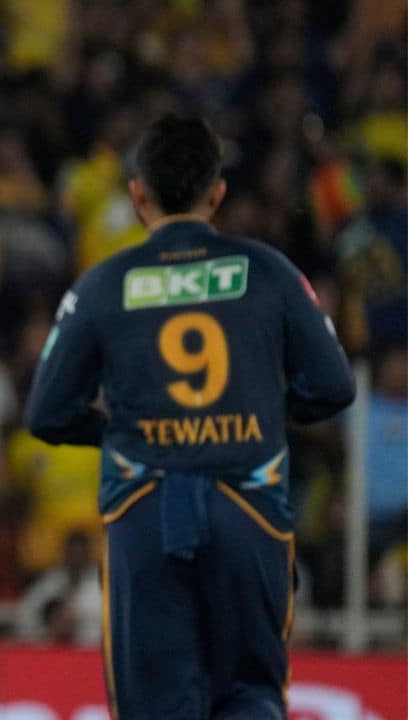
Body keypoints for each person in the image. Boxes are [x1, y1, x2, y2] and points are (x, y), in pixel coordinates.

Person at [25, 113, 355, 719]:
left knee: (154, 704)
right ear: (218, 192)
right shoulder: (271, 272)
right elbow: (333, 386)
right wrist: (262, 415)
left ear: (137, 194)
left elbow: (46, 412)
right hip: (248, 501)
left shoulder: (103, 284)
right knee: (251, 695)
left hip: (145, 506)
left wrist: (123, 431)